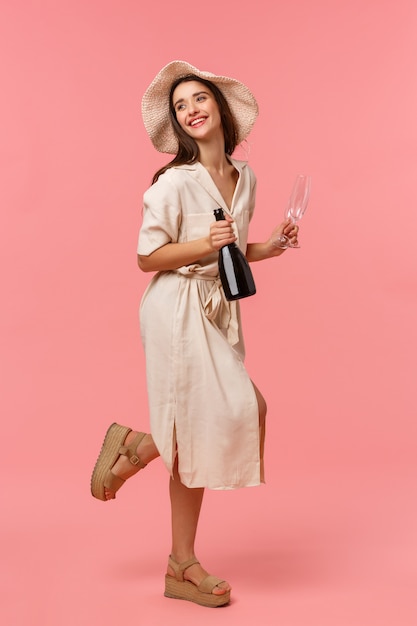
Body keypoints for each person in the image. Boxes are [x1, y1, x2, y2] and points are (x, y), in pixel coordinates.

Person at [91, 60, 299, 608]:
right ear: (178, 124)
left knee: (212, 421)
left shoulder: (244, 177)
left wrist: (268, 247)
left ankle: (177, 554)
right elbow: (147, 257)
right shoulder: (174, 183)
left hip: (216, 308)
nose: (190, 109)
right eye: (180, 105)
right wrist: (208, 244)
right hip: (175, 306)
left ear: (220, 109)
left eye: (199, 98)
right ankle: (173, 539)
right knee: (225, 413)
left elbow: (230, 247)